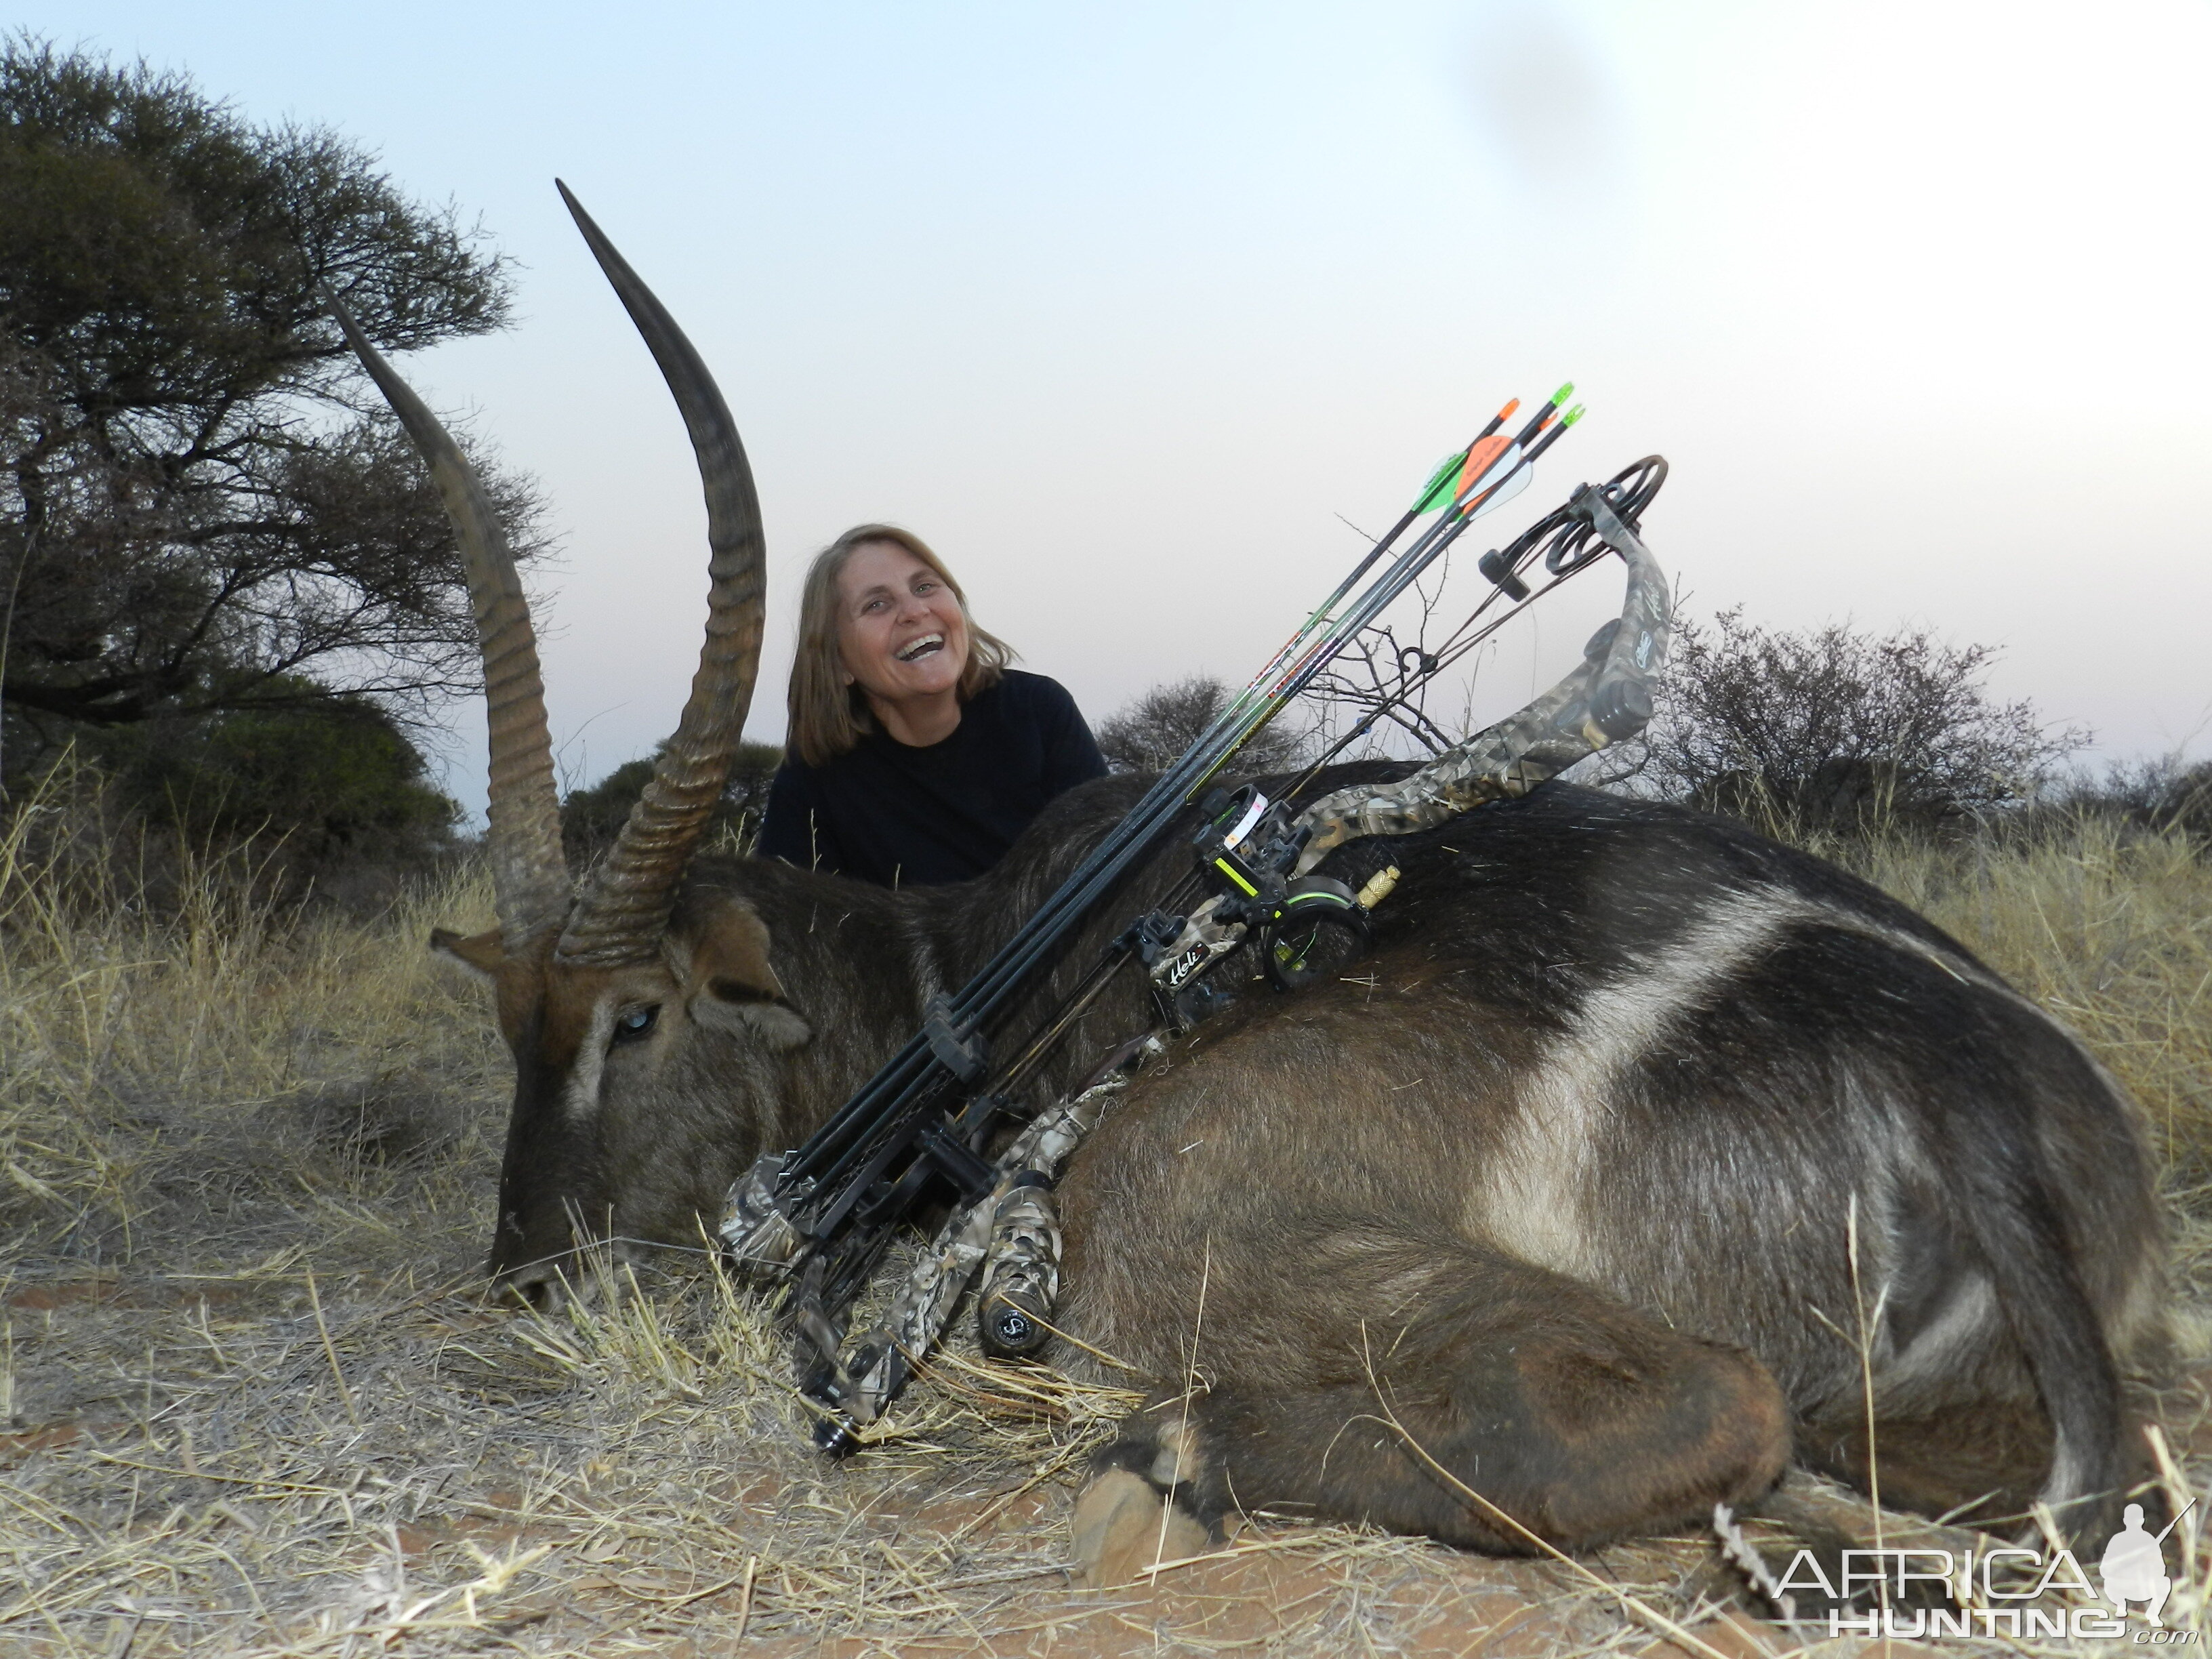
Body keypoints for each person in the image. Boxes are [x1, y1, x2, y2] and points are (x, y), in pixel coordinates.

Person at [757, 525, 1107, 886]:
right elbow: (785, 924)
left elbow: (1113, 868)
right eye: (876, 604)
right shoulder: (812, 776)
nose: (914, 611)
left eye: (924, 587)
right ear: (838, 661)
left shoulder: (1038, 710)